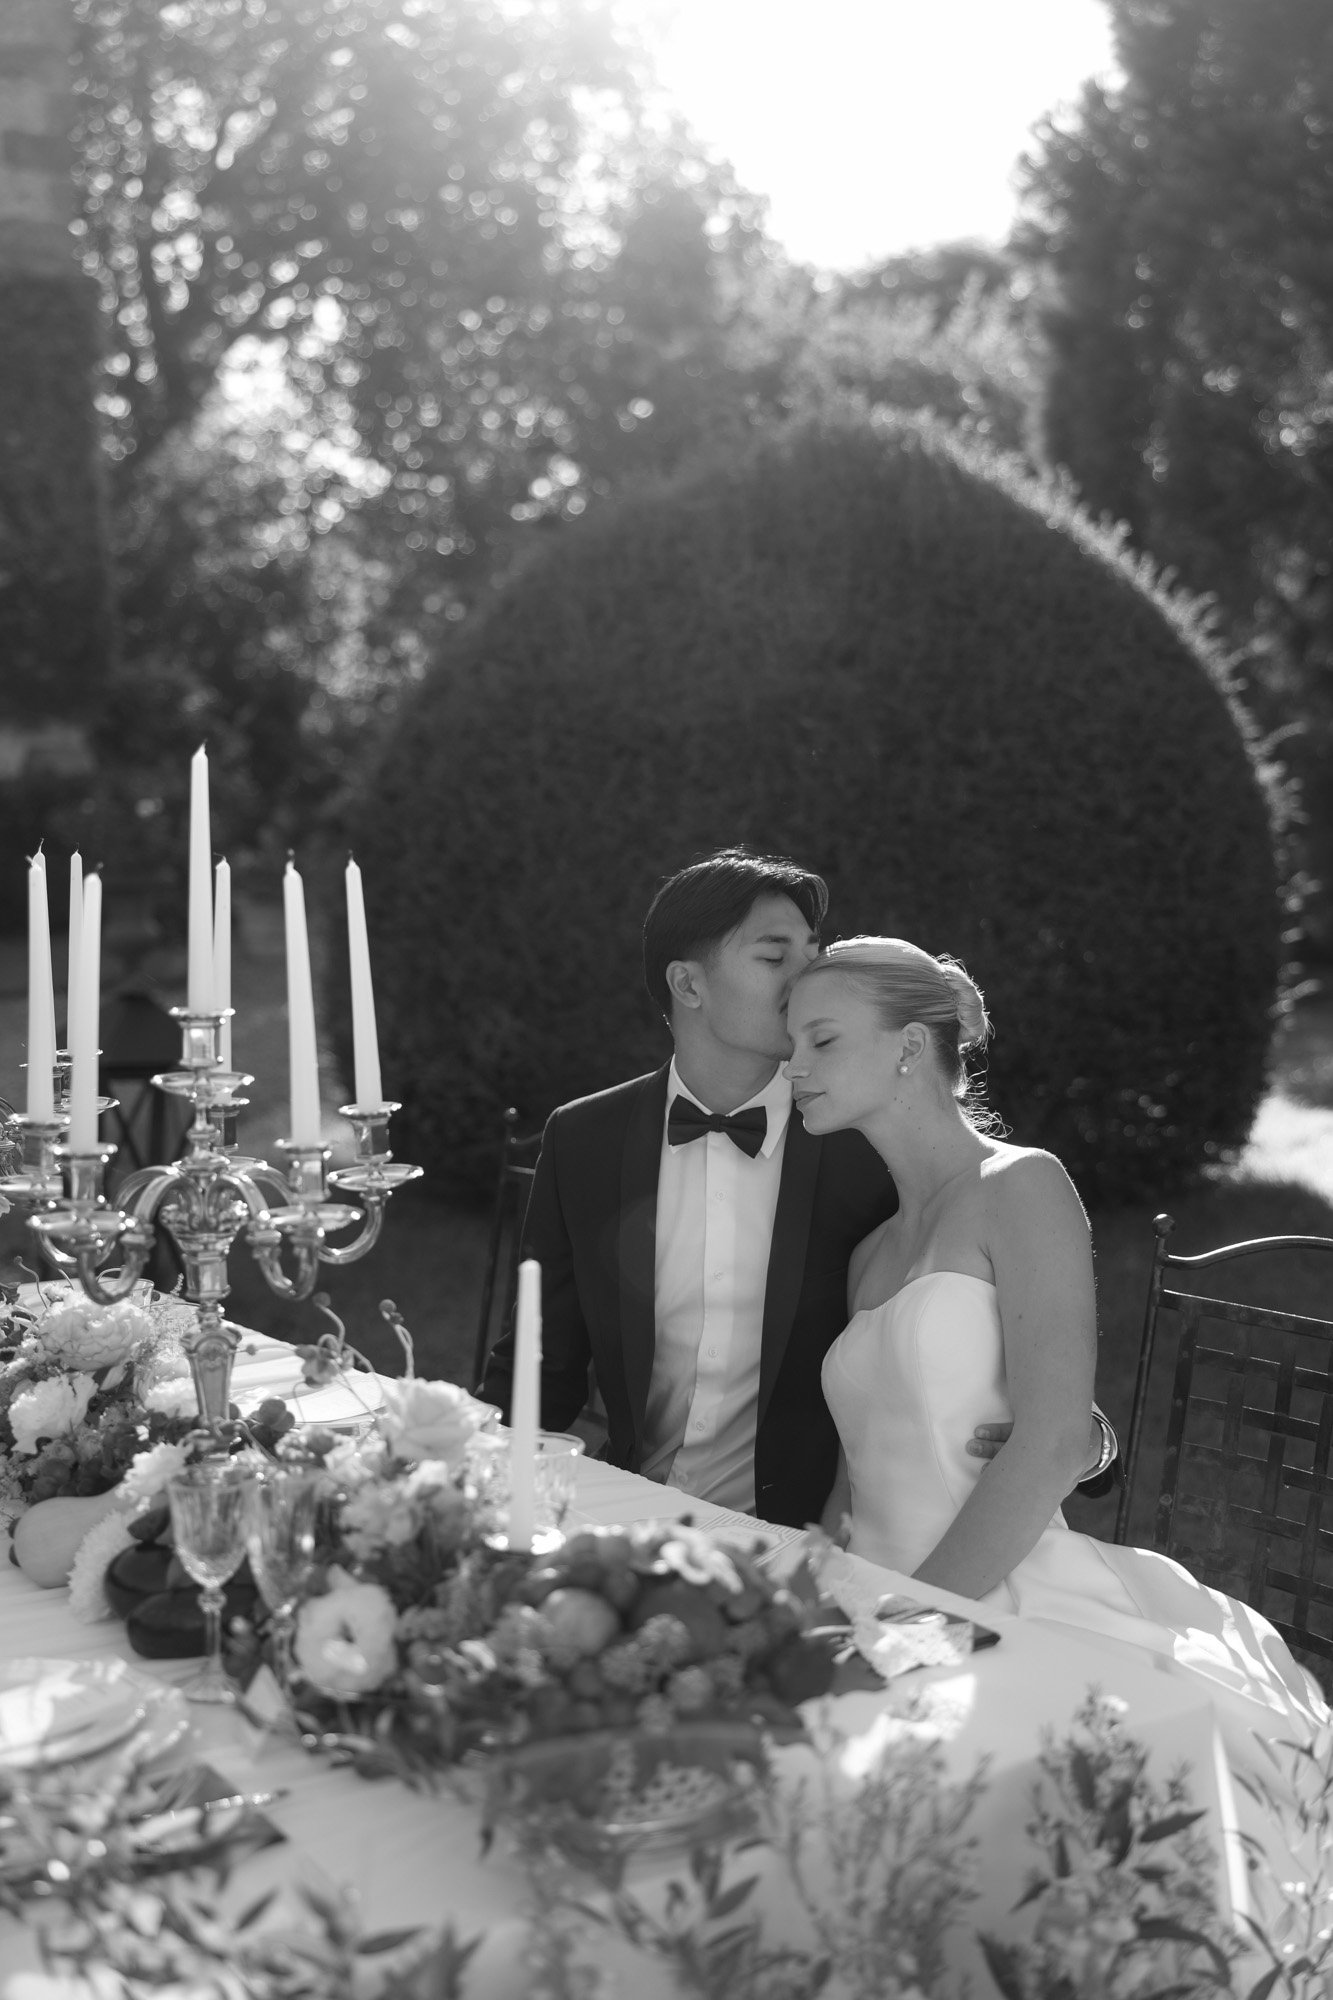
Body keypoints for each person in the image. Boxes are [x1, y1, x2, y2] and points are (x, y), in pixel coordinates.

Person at [481, 849, 1115, 1527]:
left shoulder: (866, 1142)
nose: (806, 975)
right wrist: (466, 1484)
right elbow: (539, 1363)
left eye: (811, 951)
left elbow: (982, 1330)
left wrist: (1086, 1439)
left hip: (806, 1539)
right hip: (632, 1514)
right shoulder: (584, 1140)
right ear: (688, 985)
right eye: (773, 954)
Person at [783, 935, 1325, 1727]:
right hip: (870, 1593)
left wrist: (910, 1628)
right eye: (790, 1042)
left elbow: (1055, 1440)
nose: (792, 1065)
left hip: (991, 1598)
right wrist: (811, 1597)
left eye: (820, 1040)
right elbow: (852, 1471)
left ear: (907, 1047)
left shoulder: (1020, 1185)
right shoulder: (869, 1250)